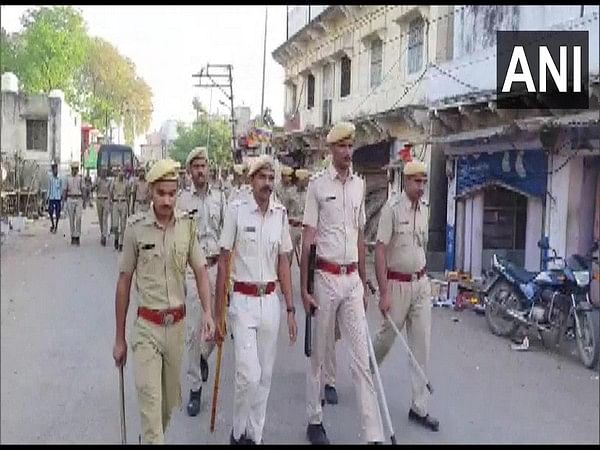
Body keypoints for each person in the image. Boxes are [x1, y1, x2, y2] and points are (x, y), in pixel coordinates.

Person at [112, 158, 215, 444]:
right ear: (150, 191)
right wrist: (119, 338)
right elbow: (123, 284)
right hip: (147, 329)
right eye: (161, 193)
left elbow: (201, 271)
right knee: (152, 415)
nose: (167, 200)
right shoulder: (135, 229)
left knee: (165, 410)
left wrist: (207, 312)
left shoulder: (187, 226)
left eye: (172, 193)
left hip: (177, 329)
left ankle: (149, 437)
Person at [300, 121, 384, 444]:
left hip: (351, 281)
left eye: (351, 147)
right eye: (342, 147)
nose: (347, 152)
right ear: (330, 150)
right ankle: (314, 420)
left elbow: (361, 237)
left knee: (362, 358)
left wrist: (364, 282)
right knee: (319, 355)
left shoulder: (360, 186)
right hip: (325, 277)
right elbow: (307, 238)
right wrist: (305, 290)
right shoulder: (318, 186)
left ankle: (373, 433)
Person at [214, 154, 297, 445]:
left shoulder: (280, 214)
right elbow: (224, 261)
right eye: (262, 177)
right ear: (251, 181)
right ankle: (237, 432)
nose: (267, 183)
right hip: (243, 302)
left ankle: (254, 435)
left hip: (270, 301)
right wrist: (217, 314)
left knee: (265, 377)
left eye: (271, 177)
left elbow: (284, 262)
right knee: (248, 374)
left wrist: (289, 308)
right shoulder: (237, 211)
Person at [372, 159, 439, 432]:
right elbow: (379, 250)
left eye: (424, 182)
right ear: (405, 181)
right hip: (397, 285)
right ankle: (367, 369)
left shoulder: (426, 209)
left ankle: (419, 407)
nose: (421, 186)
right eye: (416, 181)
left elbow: (420, 246)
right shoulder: (391, 209)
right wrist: (384, 292)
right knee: (387, 338)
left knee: (421, 344)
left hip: (421, 284)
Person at [176, 147, 227, 417]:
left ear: (209, 168)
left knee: (219, 326)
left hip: (218, 269)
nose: (200, 170)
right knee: (195, 330)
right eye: (195, 166)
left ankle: (203, 358)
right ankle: (195, 388)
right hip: (194, 272)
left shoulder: (220, 198)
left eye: (204, 165)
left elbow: (229, 237)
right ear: (189, 171)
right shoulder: (182, 202)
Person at [63, 161, 84, 246]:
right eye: (73, 169)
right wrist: (64, 201)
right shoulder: (67, 178)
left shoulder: (80, 178)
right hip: (70, 198)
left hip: (78, 198)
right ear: (71, 169)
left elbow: (83, 189)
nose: (75, 170)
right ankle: (72, 236)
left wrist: (85, 200)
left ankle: (77, 236)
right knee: (71, 219)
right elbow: (64, 190)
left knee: (78, 218)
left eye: (76, 169)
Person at [110, 167, 130, 251]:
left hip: (123, 202)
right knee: (115, 224)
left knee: (123, 224)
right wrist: (112, 201)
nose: (121, 174)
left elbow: (128, 194)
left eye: (123, 172)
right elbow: (110, 192)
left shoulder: (127, 183)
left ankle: (121, 243)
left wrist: (129, 206)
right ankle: (116, 238)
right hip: (115, 202)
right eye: (119, 172)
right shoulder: (114, 182)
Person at [93, 168, 111, 246]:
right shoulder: (98, 180)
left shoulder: (109, 181)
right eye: (102, 172)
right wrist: (96, 183)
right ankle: (102, 233)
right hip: (99, 200)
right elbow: (92, 188)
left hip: (106, 200)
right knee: (100, 219)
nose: (104, 173)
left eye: (105, 172)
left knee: (105, 219)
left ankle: (104, 235)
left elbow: (110, 192)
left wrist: (110, 202)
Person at [47, 162, 63, 234]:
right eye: (54, 170)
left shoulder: (60, 178)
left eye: (56, 169)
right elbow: (49, 188)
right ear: (52, 170)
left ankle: (56, 226)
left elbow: (61, 188)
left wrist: (62, 196)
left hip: (58, 198)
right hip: (51, 197)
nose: (55, 171)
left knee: (57, 213)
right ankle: (53, 224)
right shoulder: (50, 178)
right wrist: (47, 197)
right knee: (50, 211)